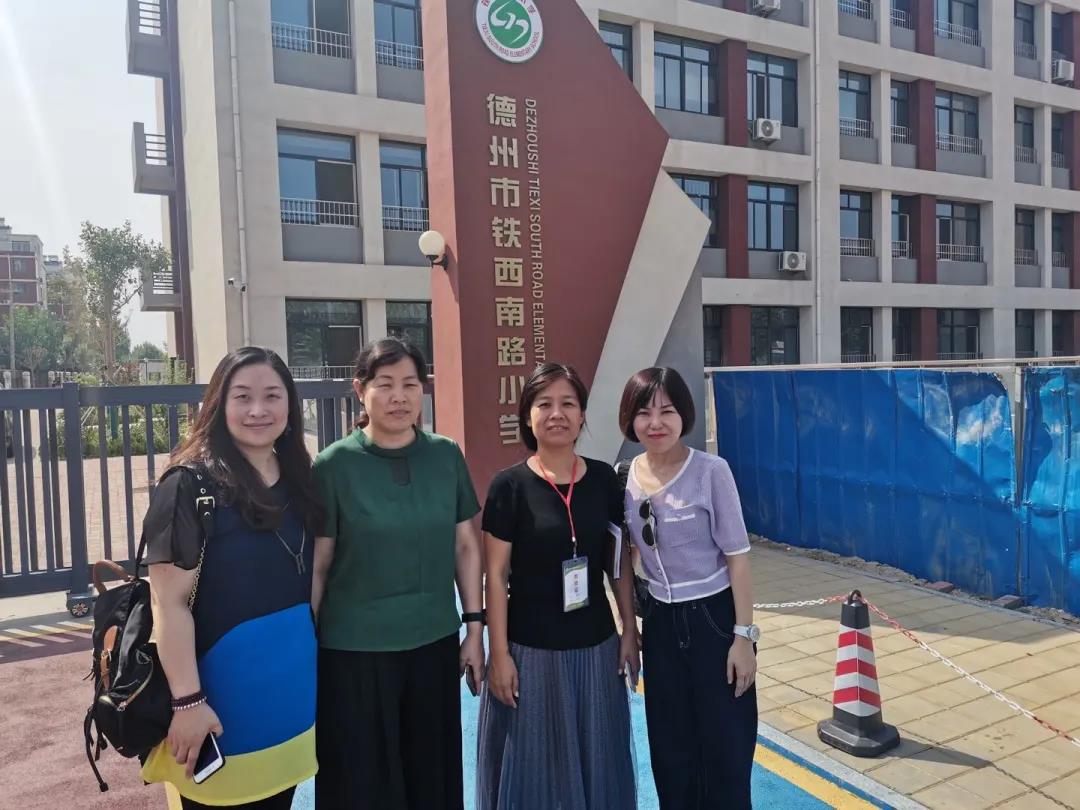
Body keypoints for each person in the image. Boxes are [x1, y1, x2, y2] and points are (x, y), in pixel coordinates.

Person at [141, 347, 323, 809]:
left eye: (272, 396)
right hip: (217, 706)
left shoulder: (301, 478)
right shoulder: (189, 485)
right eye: (242, 397)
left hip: (288, 699)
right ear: (218, 405)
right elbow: (168, 603)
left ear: (290, 405)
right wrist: (188, 702)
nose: (258, 410)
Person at [312, 337, 485, 809]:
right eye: (384, 384)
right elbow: (319, 566)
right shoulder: (333, 465)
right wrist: (304, 648)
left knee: (431, 774)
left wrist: (474, 629)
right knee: (361, 781)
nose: (399, 396)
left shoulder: (446, 455)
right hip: (353, 653)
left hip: (433, 643)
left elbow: (466, 546)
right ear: (360, 390)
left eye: (410, 384)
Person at [477, 362, 637, 810]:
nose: (557, 414)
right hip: (530, 652)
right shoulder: (508, 486)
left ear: (582, 415)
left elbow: (617, 562)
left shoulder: (604, 480)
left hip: (596, 647)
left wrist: (629, 629)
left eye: (568, 403)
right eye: (544, 404)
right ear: (527, 417)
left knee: (598, 765)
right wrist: (499, 655)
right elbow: (496, 577)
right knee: (534, 774)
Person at [618, 367, 758, 810]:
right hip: (659, 623)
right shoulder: (624, 478)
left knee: (725, 747)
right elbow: (624, 561)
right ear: (630, 419)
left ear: (684, 415)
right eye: (644, 413)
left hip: (713, 620)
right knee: (671, 748)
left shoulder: (711, 472)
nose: (655, 423)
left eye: (667, 411)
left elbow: (738, 558)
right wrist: (629, 629)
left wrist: (743, 638)